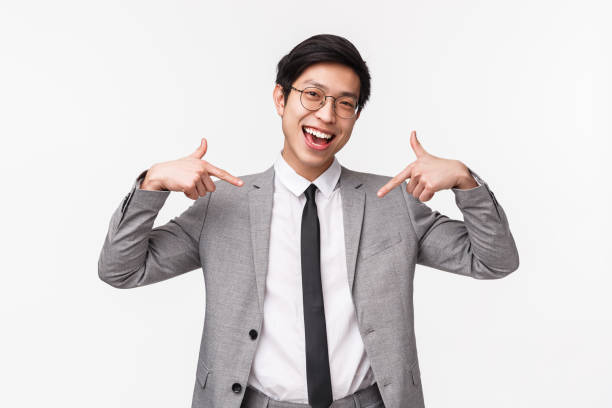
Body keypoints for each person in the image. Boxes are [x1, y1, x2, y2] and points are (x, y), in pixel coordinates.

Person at [98, 34, 519, 408]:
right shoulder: (222, 204)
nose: (326, 115)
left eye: (345, 103)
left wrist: (466, 183)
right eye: (313, 95)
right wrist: (151, 186)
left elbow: (494, 261)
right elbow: (122, 269)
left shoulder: (393, 202)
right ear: (281, 99)